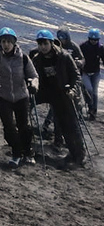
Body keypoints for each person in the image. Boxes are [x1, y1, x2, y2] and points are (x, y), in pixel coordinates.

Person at [0, 27, 38, 168]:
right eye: (3, 41)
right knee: (9, 128)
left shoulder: (23, 57)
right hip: (3, 96)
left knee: (24, 126)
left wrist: (34, 85)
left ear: (14, 42)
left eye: (9, 41)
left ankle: (28, 151)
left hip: (21, 96)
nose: (6, 44)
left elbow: (34, 75)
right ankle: (16, 153)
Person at [32, 29, 86, 168]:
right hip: (50, 94)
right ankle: (27, 144)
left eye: (45, 43)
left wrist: (73, 90)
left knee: (71, 126)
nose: (43, 46)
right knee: (60, 124)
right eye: (40, 44)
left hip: (67, 94)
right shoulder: (38, 59)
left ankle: (79, 156)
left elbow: (76, 76)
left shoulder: (64, 56)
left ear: (51, 43)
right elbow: (34, 76)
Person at [41, 27, 86, 141]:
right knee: (55, 110)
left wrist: (78, 63)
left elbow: (82, 60)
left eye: (64, 37)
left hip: (70, 81)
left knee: (73, 110)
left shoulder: (73, 47)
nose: (62, 40)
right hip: (58, 84)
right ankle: (55, 134)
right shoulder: (55, 48)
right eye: (60, 37)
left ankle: (74, 138)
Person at [79, 28, 104, 121]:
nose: (93, 41)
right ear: (89, 38)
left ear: (98, 40)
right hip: (85, 72)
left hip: (96, 73)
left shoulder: (101, 48)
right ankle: (90, 107)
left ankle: (94, 111)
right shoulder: (83, 46)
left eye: (96, 40)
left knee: (95, 92)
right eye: (92, 39)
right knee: (88, 89)